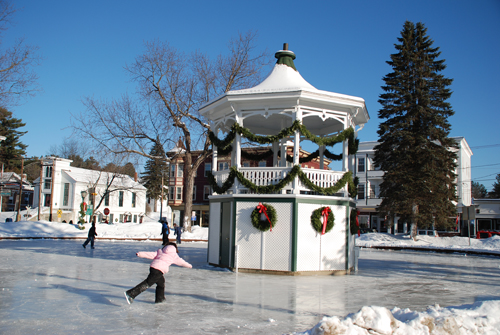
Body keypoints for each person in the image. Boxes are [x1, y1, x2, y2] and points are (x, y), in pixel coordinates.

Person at [124, 243, 192, 304]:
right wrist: (189, 266)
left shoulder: (160, 251)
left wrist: (140, 254)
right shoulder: (174, 255)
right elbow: (182, 262)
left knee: (161, 283)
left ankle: (160, 299)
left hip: (153, 267)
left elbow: (150, 254)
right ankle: (131, 294)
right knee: (148, 283)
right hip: (159, 270)